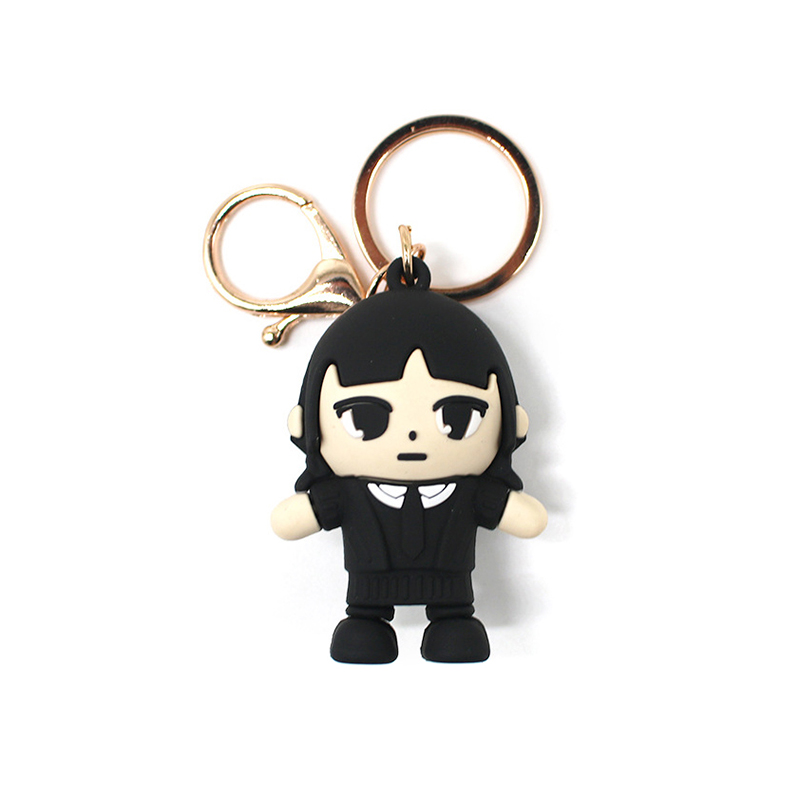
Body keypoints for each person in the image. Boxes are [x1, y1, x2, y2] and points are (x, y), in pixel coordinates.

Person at [271, 258, 547, 663]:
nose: (413, 435)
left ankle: (450, 624)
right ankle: (368, 625)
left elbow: (529, 519)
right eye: (365, 418)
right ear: (304, 424)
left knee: (455, 633)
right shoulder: (344, 493)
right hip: (367, 591)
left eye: (457, 418)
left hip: (452, 591)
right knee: (362, 636)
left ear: (512, 422)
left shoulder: (473, 491)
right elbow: (289, 522)